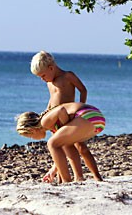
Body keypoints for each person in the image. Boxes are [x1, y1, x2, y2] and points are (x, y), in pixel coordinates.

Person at [30, 51, 102, 182]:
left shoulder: (68, 76)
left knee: (81, 147)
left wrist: (80, 108)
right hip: (57, 119)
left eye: (43, 75)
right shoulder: (49, 83)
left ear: (51, 68)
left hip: (71, 117)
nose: (42, 79)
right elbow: (52, 100)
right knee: (61, 147)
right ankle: (62, 179)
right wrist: (47, 111)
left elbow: (83, 89)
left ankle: (96, 176)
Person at [16, 102, 106, 183]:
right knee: (67, 144)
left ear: (31, 130)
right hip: (98, 120)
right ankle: (80, 178)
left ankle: (66, 181)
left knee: (51, 143)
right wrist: (53, 170)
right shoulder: (52, 126)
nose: (32, 139)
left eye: (30, 136)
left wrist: (65, 125)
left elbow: (61, 110)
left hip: (86, 116)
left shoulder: (44, 122)